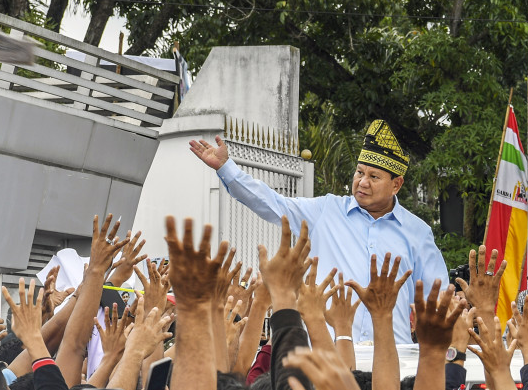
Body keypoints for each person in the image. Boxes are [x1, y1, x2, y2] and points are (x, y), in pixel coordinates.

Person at [189, 120, 448, 344]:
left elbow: (438, 301)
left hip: (392, 359)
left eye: (374, 176)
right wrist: (226, 169)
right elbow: (271, 202)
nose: (362, 182)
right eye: (359, 172)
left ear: (397, 184)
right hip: (327, 357)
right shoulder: (327, 210)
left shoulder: (418, 233)